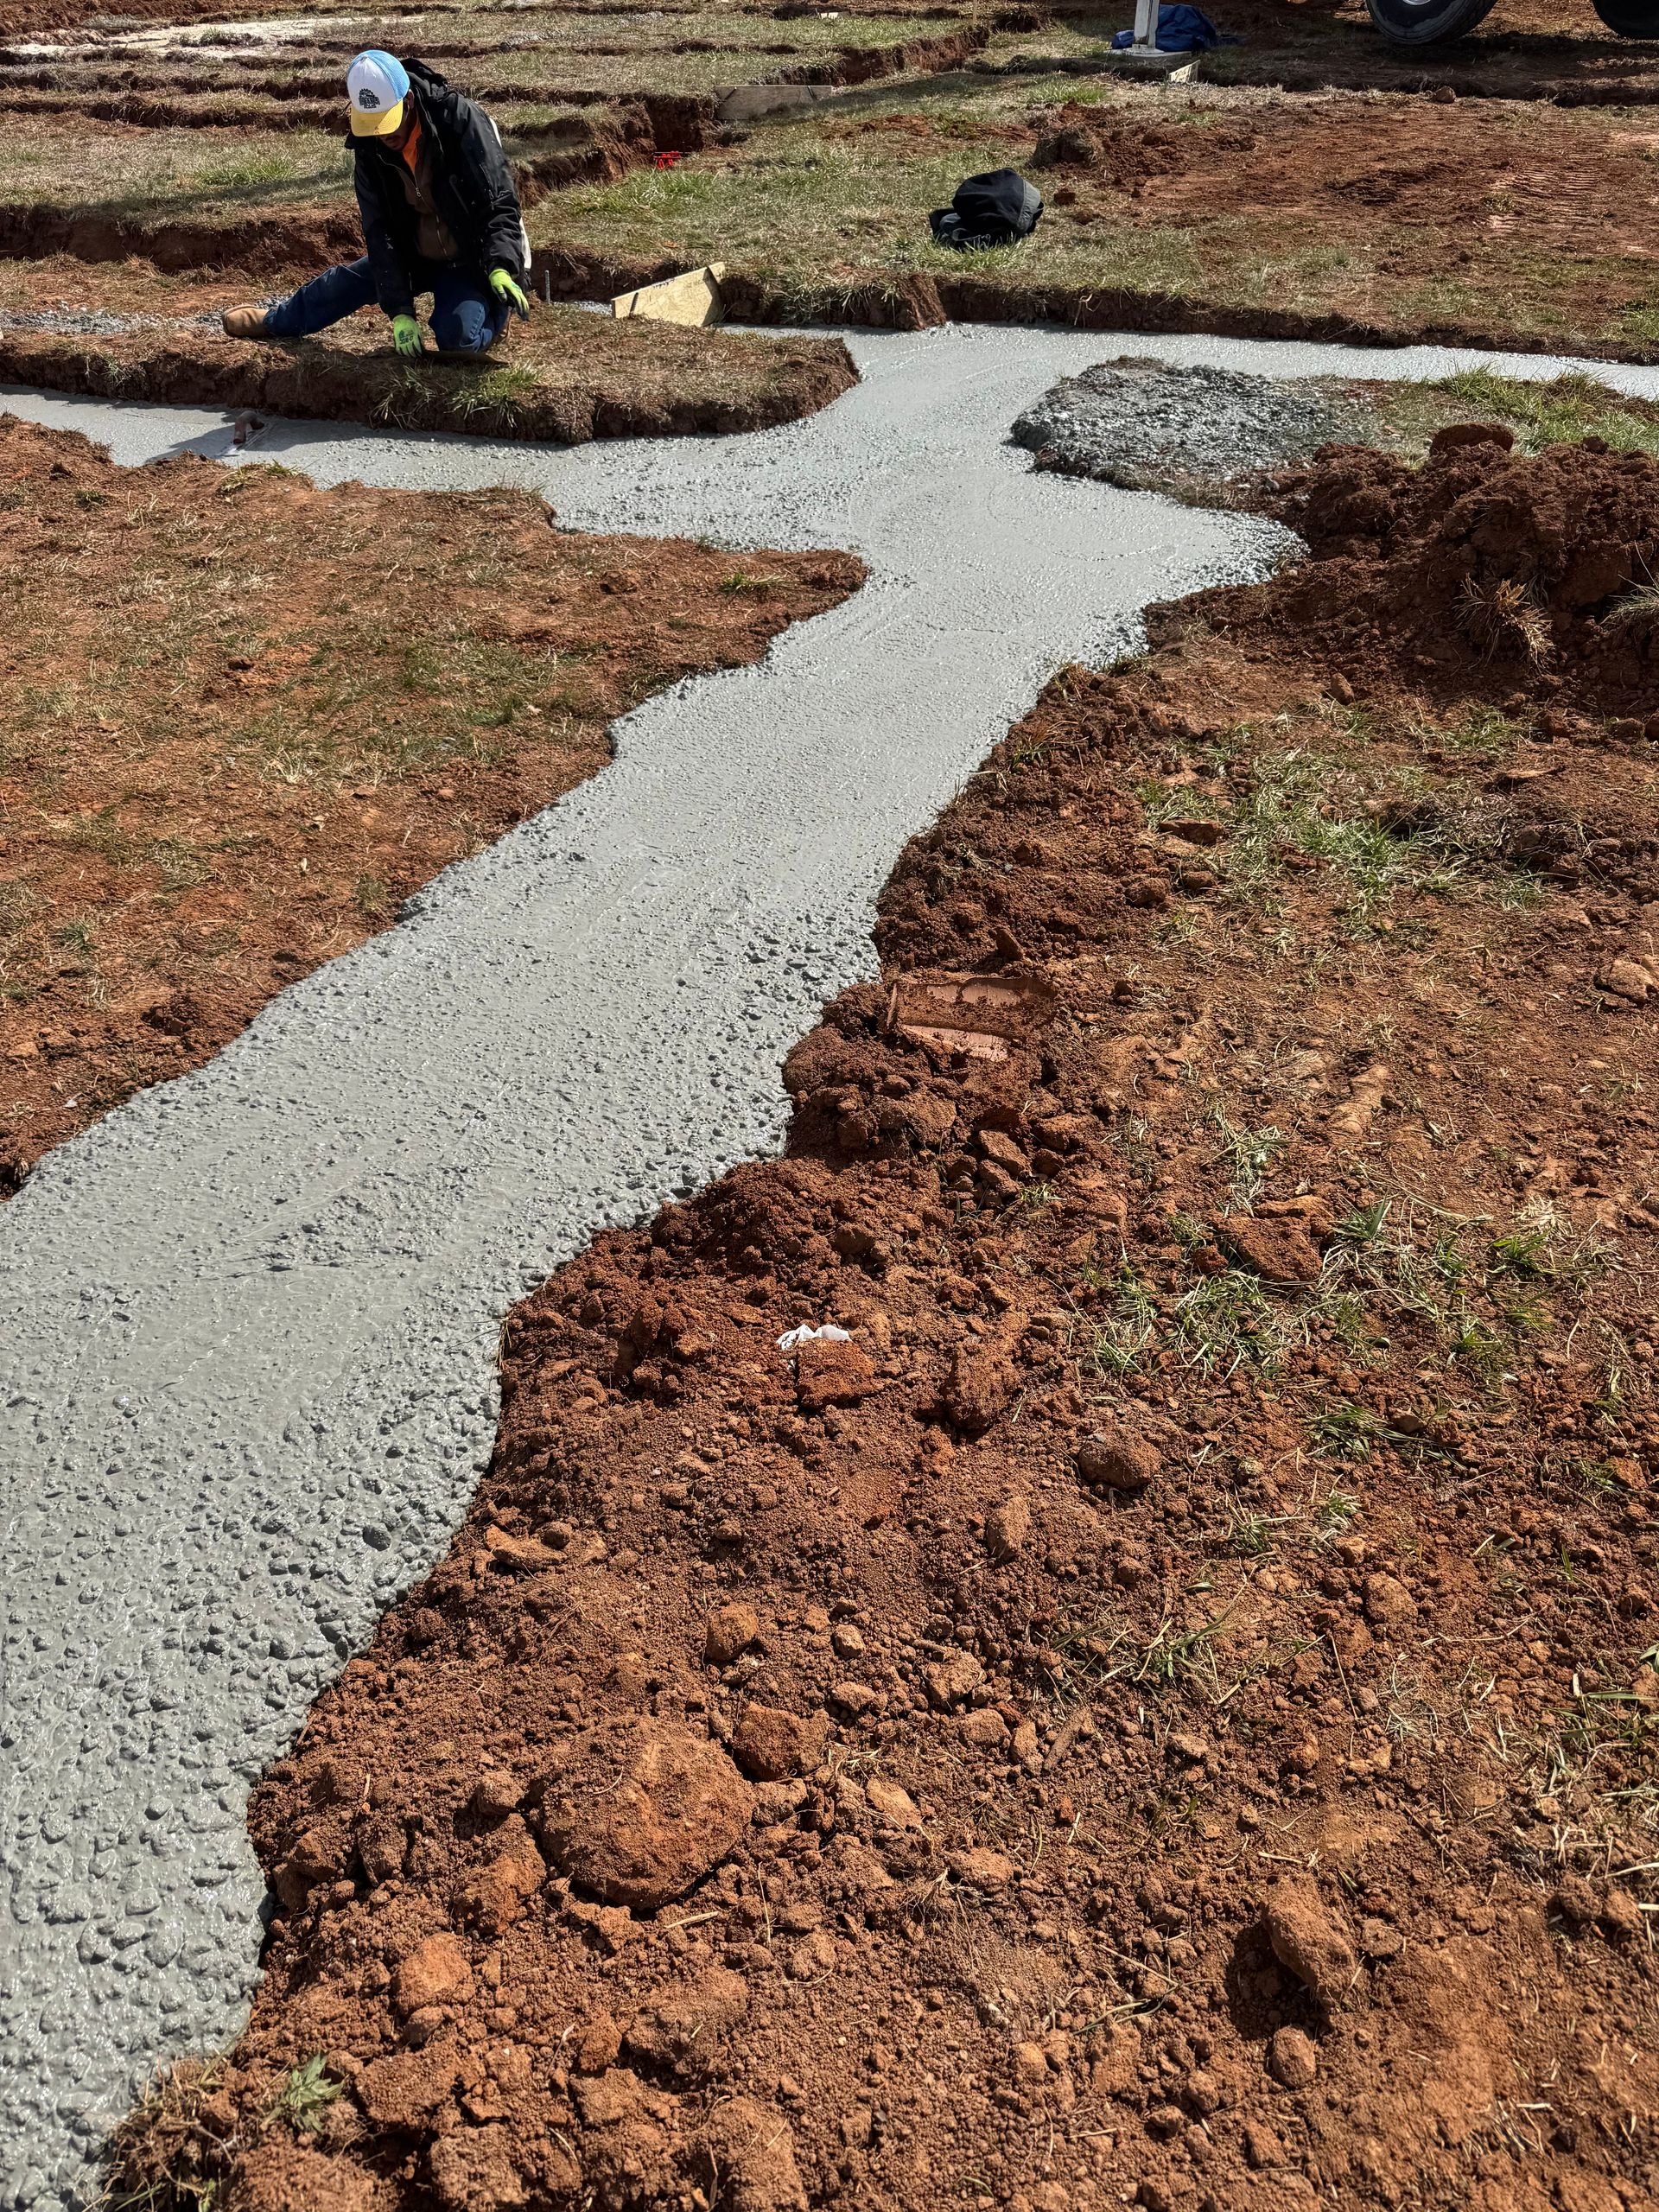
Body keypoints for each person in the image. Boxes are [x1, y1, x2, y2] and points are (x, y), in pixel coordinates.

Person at [222, 51, 531, 356]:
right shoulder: (369, 143)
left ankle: (498, 312)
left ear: (408, 101)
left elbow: (499, 202)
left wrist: (501, 266)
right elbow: (379, 227)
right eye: (372, 124)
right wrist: (400, 311)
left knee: (459, 339)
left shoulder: (458, 119)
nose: (382, 134)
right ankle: (276, 321)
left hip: (473, 255)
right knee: (344, 283)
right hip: (417, 251)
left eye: (387, 121)